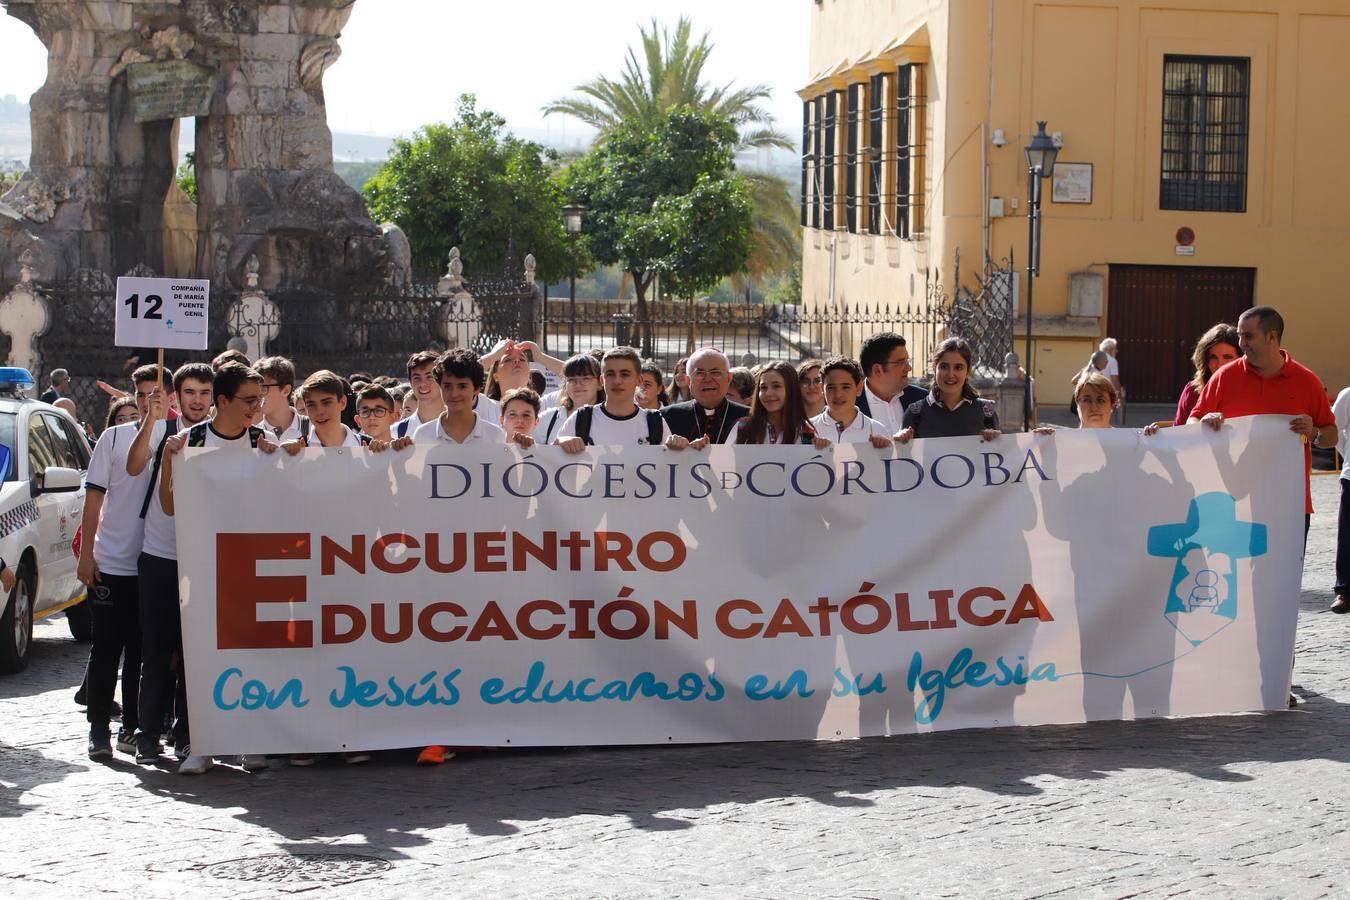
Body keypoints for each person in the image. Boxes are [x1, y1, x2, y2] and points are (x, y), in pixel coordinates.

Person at [155, 363, 277, 773]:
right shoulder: (189, 441)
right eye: (249, 400)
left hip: (251, 564)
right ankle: (199, 742)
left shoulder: (264, 441)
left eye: (259, 400)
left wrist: (290, 459)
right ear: (222, 401)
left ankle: (250, 739)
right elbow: (170, 506)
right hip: (203, 564)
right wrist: (171, 462)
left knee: (251, 651)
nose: (256, 408)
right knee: (200, 654)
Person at [77, 364, 164, 760]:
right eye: (143, 395)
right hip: (112, 560)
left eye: (156, 394)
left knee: (142, 651)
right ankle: (99, 728)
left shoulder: (177, 436)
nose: (149, 402)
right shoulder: (113, 439)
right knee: (107, 647)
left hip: (155, 560)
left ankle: (133, 724)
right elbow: (94, 497)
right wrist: (86, 554)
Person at [1190, 306, 1335, 533]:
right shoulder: (1225, 377)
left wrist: (1315, 433)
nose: (1241, 343)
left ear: (1272, 337)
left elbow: (1331, 436)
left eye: (1248, 336)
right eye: (1239, 335)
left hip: (1288, 503)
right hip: (1231, 500)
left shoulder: (1307, 381)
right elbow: (1193, 420)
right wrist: (1204, 421)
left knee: (1286, 570)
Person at [558, 347, 683, 451]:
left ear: (639, 380)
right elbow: (550, 461)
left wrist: (682, 448)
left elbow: (672, 470)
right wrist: (560, 443)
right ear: (602, 380)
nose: (617, 381)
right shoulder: (580, 418)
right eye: (610, 374)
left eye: (625, 374)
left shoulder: (655, 422)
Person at [896, 337, 1000, 443]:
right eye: (944, 366)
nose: (950, 374)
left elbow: (999, 455)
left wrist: (996, 441)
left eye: (958, 367)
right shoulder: (915, 413)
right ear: (934, 368)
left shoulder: (986, 412)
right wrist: (899, 441)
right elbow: (903, 457)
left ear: (968, 371)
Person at [413, 349, 506, 448]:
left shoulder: (495, 436)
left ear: (476, 389)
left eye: (462, 386)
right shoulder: (422, 435)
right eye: (448, 386)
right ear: (440, 387)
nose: (454, 394)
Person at [660, 348, 749, 446]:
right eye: (699, 373)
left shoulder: (750, 418)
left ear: (729, 378)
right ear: (689, 381)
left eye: (715, 373)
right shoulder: (667, 417)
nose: (707, 379)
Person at [734, 362, 825, 446]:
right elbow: (726, 461)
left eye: (776, 386)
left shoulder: (806, 433)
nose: (768, 393)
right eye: (763, 387)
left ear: (791, 390)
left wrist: (824, 449)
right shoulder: (742, 427)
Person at [809, 356, 892, 448]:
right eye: (831, 388)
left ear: (859, 388)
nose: (838, 395)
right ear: (822, 389)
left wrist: (883, 451)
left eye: (845, 387)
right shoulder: (808, 429)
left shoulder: (876, 430)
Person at [856, 332, 927, 435]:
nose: (908, 368)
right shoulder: (849, 404)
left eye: (908, 361)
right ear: (877, 370)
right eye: (901, 362)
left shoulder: (921, 399)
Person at [1173, 324, 1240, 425]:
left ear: (1242, 359)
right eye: (1213, 357)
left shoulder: (1252, 388)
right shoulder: (1192, 390)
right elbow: (1178, 433)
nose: (1219, 364)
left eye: (1227, 357)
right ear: (1205, 360)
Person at [535, 354, 602, 445]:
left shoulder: (609, 420)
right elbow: (527, 452)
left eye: (586, 378)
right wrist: (555, 445)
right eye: (571, 379)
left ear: (600, 383)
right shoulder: (548, 418)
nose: (577, 384)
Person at [254, 356, 310, 443]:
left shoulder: (312, 428)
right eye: (256, 388)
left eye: (263, 388)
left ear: (286, 390)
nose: (258, 395)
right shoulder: (253, 436)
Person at [394, 350, 444, 439]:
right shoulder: (396, 432)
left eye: (429, 377)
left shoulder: (464, 427)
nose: (422, 384)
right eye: (417, 378)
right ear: (410, 382)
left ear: (442, 380)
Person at [1332, 386, 1350, 614]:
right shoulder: (1348, 395)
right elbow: (1334, 430)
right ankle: (1345, 592)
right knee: (1347, 536)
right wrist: (1348, 455)